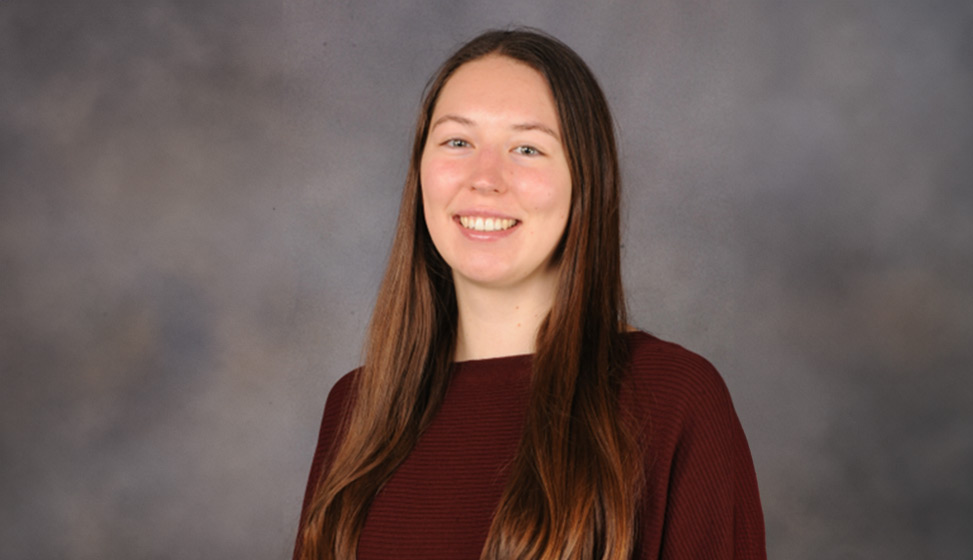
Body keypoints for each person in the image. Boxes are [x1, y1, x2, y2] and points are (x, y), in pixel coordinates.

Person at [294, 28, 765, 560]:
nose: (485, 179)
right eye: (457, 141)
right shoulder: (356, 409)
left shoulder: (673, 396)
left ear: (585, 181)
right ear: (420, 169)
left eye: (527, 148)